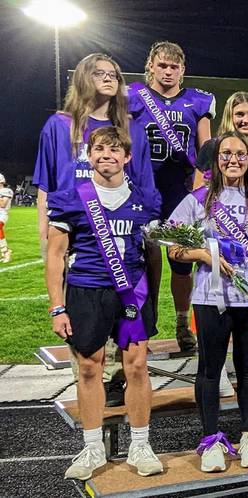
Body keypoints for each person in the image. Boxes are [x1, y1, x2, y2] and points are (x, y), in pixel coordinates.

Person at [33, 52, 155, 407]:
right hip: (82, 255)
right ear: (83, 78)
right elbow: (46, 188)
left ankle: (134, 435)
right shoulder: (59, 125)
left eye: (113, 73)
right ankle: (93, 442)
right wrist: (49, 248)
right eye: (99, 72)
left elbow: (145, 193)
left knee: (132, 360)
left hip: (127, 259)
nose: (108, 78)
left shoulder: (132, 129)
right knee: (88, 364)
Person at [46, 127, 163, 480]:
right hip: (86, 290)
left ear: (127, 157)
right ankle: (92, 446)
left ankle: (140, 444)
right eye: (99, 149)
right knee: (88, 368)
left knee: (138, 367)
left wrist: (153, 299)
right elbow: (55, 255)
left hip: (132, 293)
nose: (106, 155)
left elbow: (153, 255)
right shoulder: (70, 197)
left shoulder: (147, 200)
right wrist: (57, 307)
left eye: (114, 150)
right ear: (89, 155)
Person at [167, 131, 248, 472]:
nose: (233, 159)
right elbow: (172, 246)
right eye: (225, 154)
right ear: (215, 160)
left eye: (240, 154)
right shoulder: (197, 200)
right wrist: (202, 254)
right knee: (209, 369)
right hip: (210, 298)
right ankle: (210, 441)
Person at [128, 41, 216, 353]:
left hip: (181, 193)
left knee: (181, 260)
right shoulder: (133, 97)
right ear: (150, 65)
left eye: (174, 66)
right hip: (141, 192)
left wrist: (199, 191)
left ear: (183, 70)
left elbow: (206, 150)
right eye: (162, 65)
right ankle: (144, 324)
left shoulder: (197, 101)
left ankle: (182, 322)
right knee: (142, 260)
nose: (168, 71)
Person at [0, 174, 13, 263]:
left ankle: (6, 251)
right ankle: (5, 252)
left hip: (2, 214)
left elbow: (3, 204)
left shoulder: (6, 190)